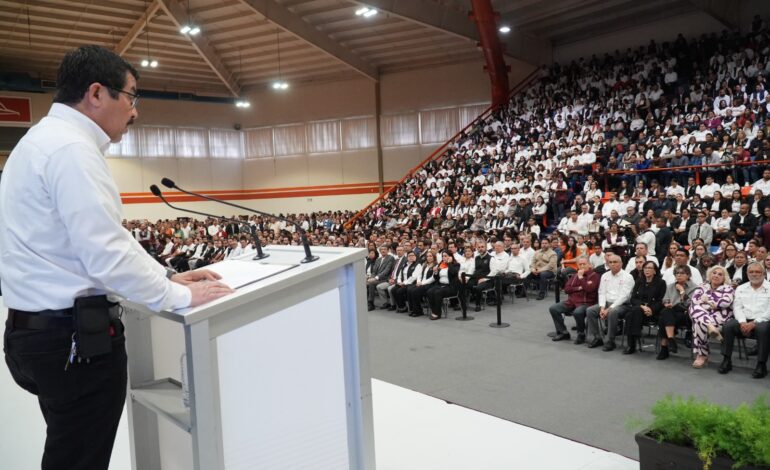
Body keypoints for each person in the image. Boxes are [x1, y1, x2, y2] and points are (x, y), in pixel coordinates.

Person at [0, 46, 233, 470]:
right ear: (96, 93)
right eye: (131, 97)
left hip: (39, 334)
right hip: (73, 340)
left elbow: (104, 241)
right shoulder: (71, 150)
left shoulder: (40, 141)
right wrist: (180, 299)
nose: (135, 111)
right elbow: (105, 255)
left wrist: (166, 276)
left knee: (69, 452)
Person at [719, 262, 770, 378]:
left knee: (763, 329)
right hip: (743, 319)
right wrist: (742, 322)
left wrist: (754, 323)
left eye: (757, 272)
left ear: (763, 273)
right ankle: (727, 360)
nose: (754, 274)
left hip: (763, 320)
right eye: (751, 272)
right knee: (728, 326)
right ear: (747, 274)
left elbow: (769, 311)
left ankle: (761, 364)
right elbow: (737, 307)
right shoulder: (741, 288)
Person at [688, 265, 735, 368]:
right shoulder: (702, 286)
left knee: (698, 323)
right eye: (714, 273)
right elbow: (695, 300)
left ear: (724, 278)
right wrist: (712, 305)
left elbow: (725, 302)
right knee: (693, 307)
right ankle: (709, 326)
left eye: (720, 274)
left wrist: (706, 303)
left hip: (720, 316)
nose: (716, 276)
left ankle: (702, 355)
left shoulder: (728, 288)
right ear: (710, 275)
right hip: (704, 314)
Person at [586, 254, 635, 351]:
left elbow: (624, 296)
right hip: (607, 303)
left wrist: (609, 309)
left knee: (613, 312)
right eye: (610, 262)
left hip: (622, 305)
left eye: (615, 262)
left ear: (621, 263)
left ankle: (610, 341)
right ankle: (597, 337)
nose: (612, 264)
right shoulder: (605, 275)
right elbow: (601, 292)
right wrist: (602, 307)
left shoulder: (628, 277)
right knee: (590, 310)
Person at [548, 257, 600, 344]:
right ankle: (563, 332)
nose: (582, 266)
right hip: (572, 301)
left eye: (584, 264)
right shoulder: (574, 276)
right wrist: (579, 288)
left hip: (586, 302)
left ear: (589, 265)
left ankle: (581, 334)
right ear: (577, 265)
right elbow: (567, 289)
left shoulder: (595, 276)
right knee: (554, 308)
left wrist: (581, 278)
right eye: (580, 264)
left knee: (578, 312)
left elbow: (589, 289)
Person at [622, 261, 667, 354]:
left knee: (631, 313)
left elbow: (661, 301)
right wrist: (642, 306)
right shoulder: (639, 281)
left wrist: (651, 309)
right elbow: (633, 299)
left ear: (655, 271)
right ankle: (633, 341)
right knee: (634, 311)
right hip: (640, 310)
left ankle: (631, 344)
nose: (647, 270)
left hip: (652, 312)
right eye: (645, 268)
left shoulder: (661, 283)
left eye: (650, 268)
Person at [657, 265, 699, 360]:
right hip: (671, 312)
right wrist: (667, 303)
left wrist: (682, 291)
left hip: (686, 314)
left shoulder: (695, 288)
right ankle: (671, 340)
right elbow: (665, 299)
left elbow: (690, 304)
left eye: (682, 273)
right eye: (677, 273)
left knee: (664, 316)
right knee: (666, 312)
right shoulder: (670, 286)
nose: (679, 275)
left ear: (688, 275)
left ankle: (665, 347)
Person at [426, 252, 461, 320]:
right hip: (441, 285)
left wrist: (449, 263)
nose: (444, 258)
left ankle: (437, 313)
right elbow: (436, 278)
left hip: (451, 287)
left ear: (450, 257)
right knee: (429, 291)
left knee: (437, 292)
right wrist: (436, 272)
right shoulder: (441, 265)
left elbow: (453, 272)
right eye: (443, 256)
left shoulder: (456, 264)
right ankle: (434, 310)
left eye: (445, 256)